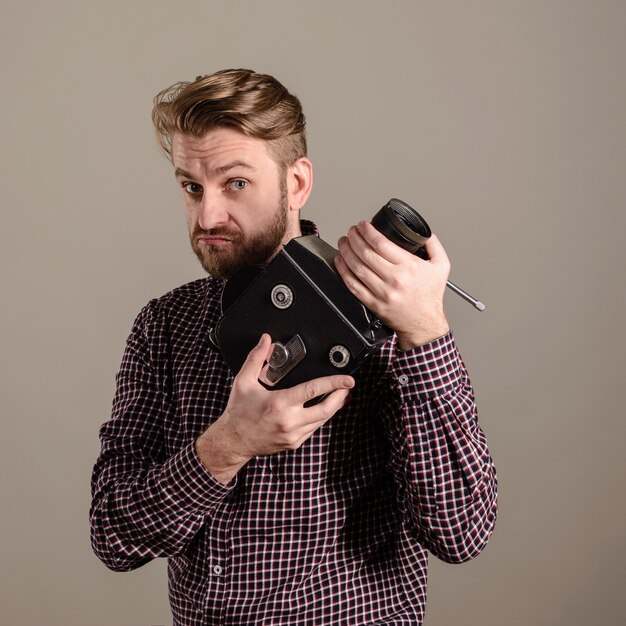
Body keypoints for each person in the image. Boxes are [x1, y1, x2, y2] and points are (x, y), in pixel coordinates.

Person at [90, 68, 498, 626]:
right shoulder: (165, 324)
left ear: (297, 182)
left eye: (235, 183)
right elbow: (114, 537)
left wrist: (426, 332)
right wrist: (226, 447)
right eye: (191, 186)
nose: (207, 216)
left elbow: (462, 532)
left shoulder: (388, 323)